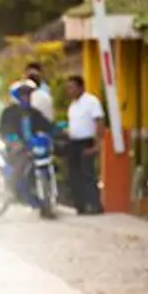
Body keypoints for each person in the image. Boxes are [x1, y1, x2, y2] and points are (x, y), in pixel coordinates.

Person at [0, 78, 54, 207]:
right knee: (20, 162)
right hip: (15, 145)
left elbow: (47, 126)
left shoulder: (34, 113)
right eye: (23, 95)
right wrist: (14, 140)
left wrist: (59, 131)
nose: (26, 97)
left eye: (28, 94)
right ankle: (11, 189)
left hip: (33, 146)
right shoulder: (9, 112)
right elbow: (3, 131)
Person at [64, 75, 106, 215]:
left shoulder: (91, 102)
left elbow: (99, 122)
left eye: (72, 87)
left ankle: (94, 205)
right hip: (73, 142)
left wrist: (98, 144)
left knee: (88, 174)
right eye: (68, 88)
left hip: (87, 142)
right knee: (74, 174)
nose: (69, 90)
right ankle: (80, 205)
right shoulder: (72, 105)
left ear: (81, 87)